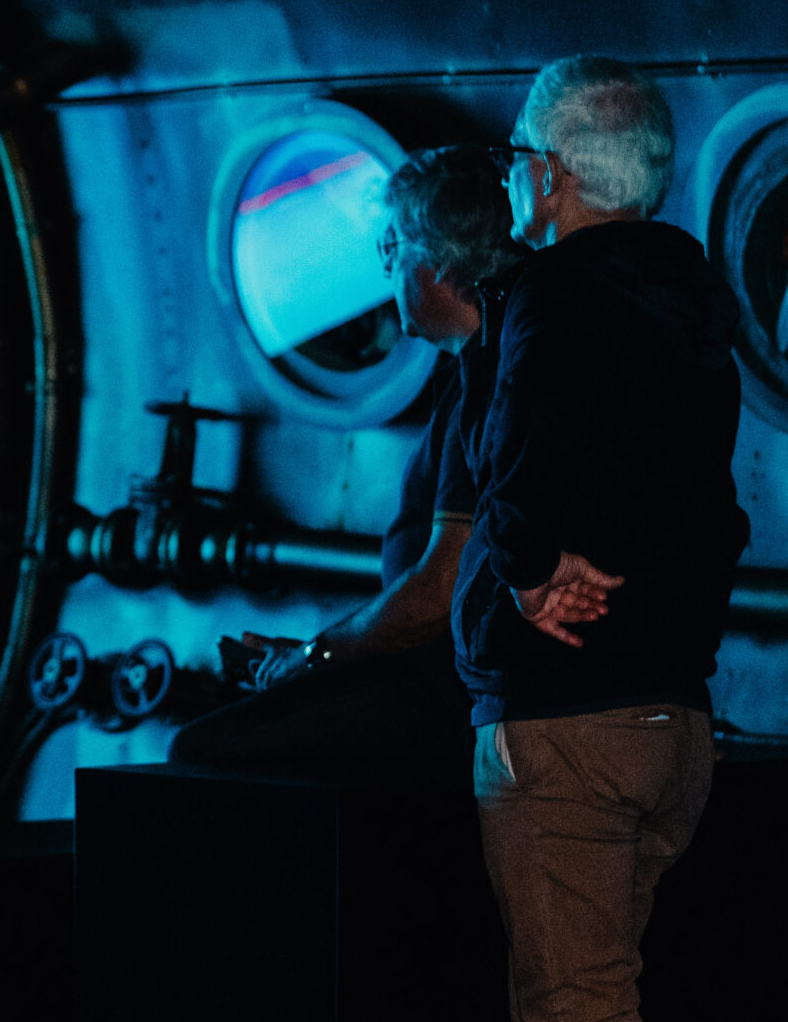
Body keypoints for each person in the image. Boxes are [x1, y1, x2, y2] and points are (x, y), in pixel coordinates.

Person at [456, 58, 752, 1022]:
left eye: (519, 154)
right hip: (671, 718)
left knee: (578, 1021)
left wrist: (530, 572)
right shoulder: (695, 303)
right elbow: (708, 511)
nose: (514, 177)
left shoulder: (552, 291)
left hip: (564, 723)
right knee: (601, 1017)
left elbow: (513, 460)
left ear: (556, 172)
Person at [168, 145, 523, 768]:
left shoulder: (489, 376)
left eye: (392, 246)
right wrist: (317, 652)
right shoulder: (474, 370)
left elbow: (440, 590)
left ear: (440, 263)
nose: (385, 266)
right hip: (443, 674)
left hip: (455, 692)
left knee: (198, 753)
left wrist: (315, 658)